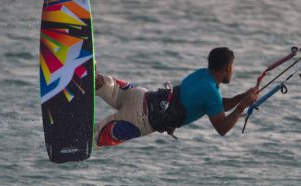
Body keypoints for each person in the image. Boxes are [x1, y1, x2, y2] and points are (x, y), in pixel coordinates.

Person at [95, 47, 259, 147]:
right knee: (92, 138)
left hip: (140, 95)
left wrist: (242, 97)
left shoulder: (202, 75)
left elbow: (217, 105)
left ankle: (85, 78)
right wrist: (240, 107)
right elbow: (222, 128)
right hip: (139, 120)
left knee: (105, 84)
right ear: (228, 67)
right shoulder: (211, 92)